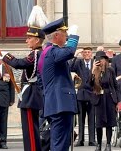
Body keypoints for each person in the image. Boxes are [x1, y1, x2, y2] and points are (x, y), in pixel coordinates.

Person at [2, 26, 45, 150]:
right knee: (30, 129)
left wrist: (6, 56)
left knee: (30, 130)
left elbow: (19, 64)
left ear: (37, 40)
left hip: (31, 96)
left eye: (29, 38)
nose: (26, 40)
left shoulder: (36, 54)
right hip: (29, 94)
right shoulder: (36, 53)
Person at [40, 18, 79, 151]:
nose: (66, 36)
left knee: (61, 142)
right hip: (60, 104)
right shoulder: (52, 51)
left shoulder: (48, 52)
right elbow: (69, 52)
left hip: (57, 104)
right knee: (60, 144)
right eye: (64, 33)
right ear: (56, 35)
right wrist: (74, 37)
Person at [91, 51, 120, 151]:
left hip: (109, 98)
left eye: (102, 59)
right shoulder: (94, 71)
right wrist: (93, 71)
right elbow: (89, 84)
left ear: (105, 60)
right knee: (99, 123)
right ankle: (98, 144)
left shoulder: (110, 70)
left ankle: (108, 144)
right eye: (99, 59)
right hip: (99, 98)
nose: (101, 61)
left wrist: (118, 101)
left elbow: (115, 86)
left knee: (109, 122)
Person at [70, 47, 96, 147]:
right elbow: (70, 67)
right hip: (81, 94)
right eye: (85, 52)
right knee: (81, 118)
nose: (87, 54)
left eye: (89, 52)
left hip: (92, 94)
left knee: (92, 118)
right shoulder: (79, 63)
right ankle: (80, 139)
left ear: (91, 54)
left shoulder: (94, 63)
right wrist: (76, 55)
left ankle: (92, 139)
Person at [0, 55, 15, 149]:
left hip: (4, 98)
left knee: (3, 121)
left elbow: (12, 84)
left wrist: (12, 99)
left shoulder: (7, 68)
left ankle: (3, 141)